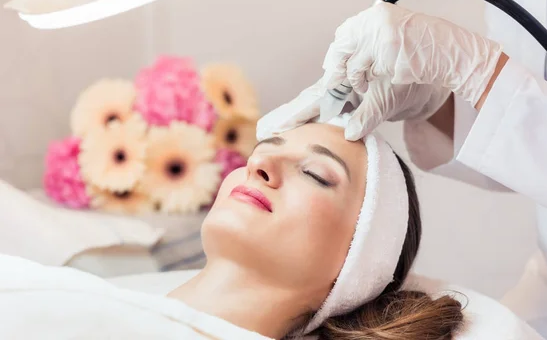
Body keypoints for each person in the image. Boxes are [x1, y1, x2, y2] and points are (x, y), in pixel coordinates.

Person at [256, 0, 547, 339]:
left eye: (318, 174)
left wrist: (477, 71)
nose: (260, 168)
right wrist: (435, 105)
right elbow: (535, 145)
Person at [0, 121, 469, 340]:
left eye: (316, 175)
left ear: (354, 268)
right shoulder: (79, 296)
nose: (260, 164)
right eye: (263, 149)